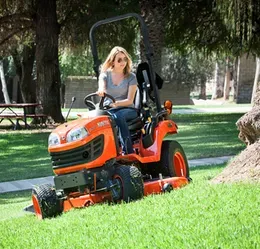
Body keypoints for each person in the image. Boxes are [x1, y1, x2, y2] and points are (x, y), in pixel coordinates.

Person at [97, 46, 138, 155]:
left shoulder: (131, 77)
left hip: (127, 109)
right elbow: (102, 86)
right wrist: (101, 90)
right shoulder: (105, 75)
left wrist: (116, 104)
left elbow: (130, 100)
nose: (122, 62)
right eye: (119, 60)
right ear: (113, 61)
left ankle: (128, 151)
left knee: (118, 116)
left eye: (125, 59)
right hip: (109, 109)